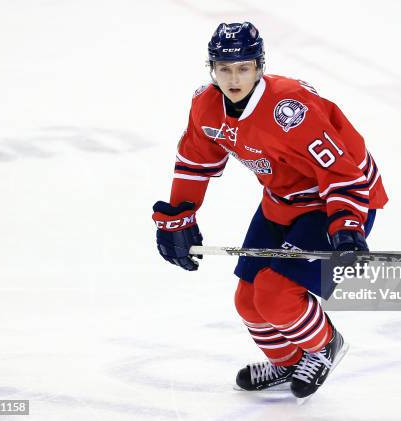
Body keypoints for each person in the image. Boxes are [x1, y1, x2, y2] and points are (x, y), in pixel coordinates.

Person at [152, 21, 388, 401]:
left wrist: (346, 225)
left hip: (336, 201)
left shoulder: (289, 108)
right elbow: (195, 161)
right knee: (248, 301)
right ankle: (289, 361)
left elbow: (342, 169)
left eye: (243, 67)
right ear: (211, 68)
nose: (233, 78)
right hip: (281, 200)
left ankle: (325, 345)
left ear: (259, 67)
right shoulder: (206, 106)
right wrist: (178, 218)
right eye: (224, 68)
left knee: (277, 295)